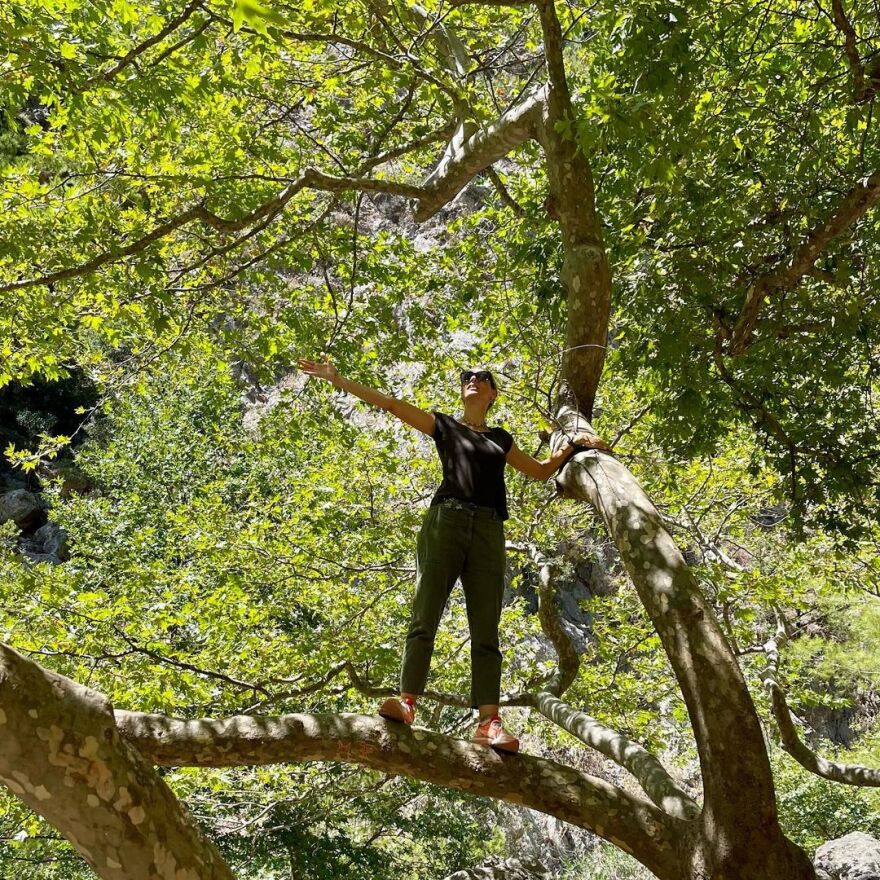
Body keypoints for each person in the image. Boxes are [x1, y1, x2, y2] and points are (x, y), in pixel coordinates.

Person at [297, 357, 611, 754]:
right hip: (446, 520)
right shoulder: (444, 425)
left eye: (484, 379)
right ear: (462, 390)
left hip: (488, 529)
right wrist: (338, 378)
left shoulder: (501, 438)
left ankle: (489, 724)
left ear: (493, 394)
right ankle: (407, 702)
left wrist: (575, 445)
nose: (474, 381)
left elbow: (539, 471)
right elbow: (391, 405)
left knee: (486, 628)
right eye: (468, 378)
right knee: (425, 613)